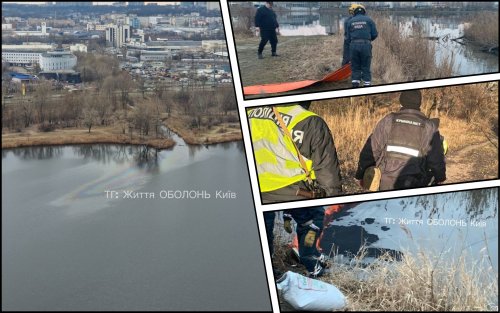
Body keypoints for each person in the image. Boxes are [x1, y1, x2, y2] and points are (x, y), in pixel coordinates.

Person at [247, 101, 342, 203]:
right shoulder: (309, 121)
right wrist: (334, 205)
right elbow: (328, 177)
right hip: (297, 194)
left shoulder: (249, 115)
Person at [355, 89, 446, 191]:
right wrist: (440, 178)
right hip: (416, 183)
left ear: (401, 100)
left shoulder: (388, 120)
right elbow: (436, 159)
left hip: (385, 183)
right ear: (419, 102)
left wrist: (361, 174)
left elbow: (371, 150)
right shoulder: (429, 126)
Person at [345, 4, 378, 87]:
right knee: (366, 67)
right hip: (366, 46)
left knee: (355, 67)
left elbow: (348, 38)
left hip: (353, 46)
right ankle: (367, 86)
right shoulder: (369, 20)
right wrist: (367, 41)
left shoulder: (350, 21)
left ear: (354, 12)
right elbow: (375, 34)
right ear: (364, 12)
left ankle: (355, 86)